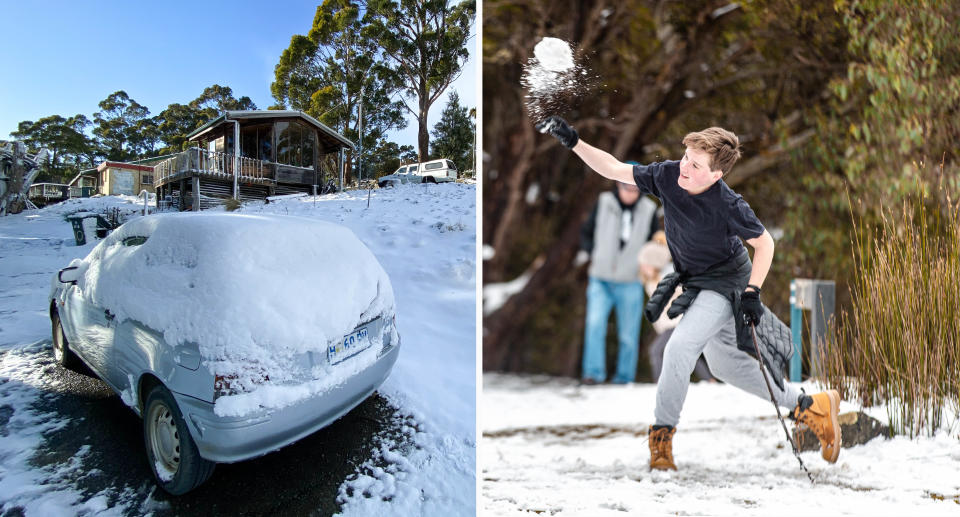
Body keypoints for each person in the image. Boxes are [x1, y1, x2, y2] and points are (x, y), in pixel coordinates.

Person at [538, 116, 841, 471]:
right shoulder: (668, 175)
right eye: (686, 157)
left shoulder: (729, 204)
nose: (685, 167)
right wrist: (575, 142)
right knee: (724, 366)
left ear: (716, 174)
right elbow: (615, 169)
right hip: (696, 283)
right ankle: (812, 406)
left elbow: (765, 244)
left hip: (727, 285)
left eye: (695, 165)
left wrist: (752, 292)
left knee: (679, 347)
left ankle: (661, 438)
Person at [578, 180, 658, 385]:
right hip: (600, 278)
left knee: (628, 334)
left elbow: (654, 244)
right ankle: (593, 374)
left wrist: (649, 264)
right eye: (626, 188)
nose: (630, 193)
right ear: (617, 186)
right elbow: (586, 231)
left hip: (630, 281)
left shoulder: (649, 210)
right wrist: (593, 253)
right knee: (595, 325)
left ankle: (624, 378)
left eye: (635, 189)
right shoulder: (604, 201)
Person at [638, 232, 714, 383]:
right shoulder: (649, 282)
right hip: (667, 325)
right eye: (643, 265)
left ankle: (659, 383)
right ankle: (709, 380)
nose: (645, 268)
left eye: (648, 265)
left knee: (656, 351)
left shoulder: (668, 278)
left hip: (675, 322)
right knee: (684, 353)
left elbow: (685, 292)